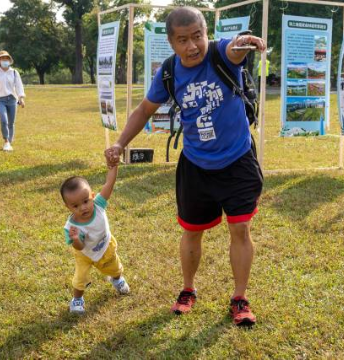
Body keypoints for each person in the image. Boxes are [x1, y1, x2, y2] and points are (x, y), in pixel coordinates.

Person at [106, 6, 265, 326]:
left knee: (240, 229)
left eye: (197, 37)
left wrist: (245, 41)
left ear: (207, 34)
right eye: (183, 40)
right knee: (192, 232)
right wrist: (120, 142)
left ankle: (239, 298)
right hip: (195, 164)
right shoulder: (169, 72)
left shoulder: (221, 53)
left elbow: (235, 48)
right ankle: (188, 290)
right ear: (171, 42)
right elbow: (144, 110)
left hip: (237, 161)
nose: (192, 46)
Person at [60, 156, 130, 314]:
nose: (83, 208)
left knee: (115, 267)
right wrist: (76, 239)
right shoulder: (71, 227)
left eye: (85, 201)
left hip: (105, 247)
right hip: (85, 254)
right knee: (80, 278)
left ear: (92, 195)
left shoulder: (98, 205)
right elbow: (80, 246)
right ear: (68, 207)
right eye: (75, 206)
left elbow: (109, 184)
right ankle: (77, 299)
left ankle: (117, 279)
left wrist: (113, 167)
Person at [0, 50, 25, 151]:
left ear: (9, 60)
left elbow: (19, 86)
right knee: (4, 120)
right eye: (2, 59)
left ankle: (9, 142)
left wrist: (21, 98)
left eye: (6, 58)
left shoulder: (14, 72)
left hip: (12, 99)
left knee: (11, 122)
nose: (5, 60)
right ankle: (6, 141)